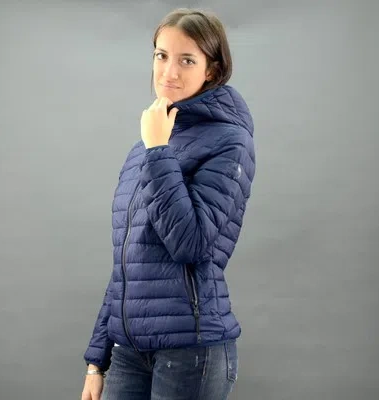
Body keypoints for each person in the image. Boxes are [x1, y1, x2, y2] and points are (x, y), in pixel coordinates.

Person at [81, 7, 255, 400]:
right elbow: (128, 264)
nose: (168, 72)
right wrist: (97, 361)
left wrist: (158, 149)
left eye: (187, 60)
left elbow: (189, 244)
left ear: (211, 70)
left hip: (191, 350)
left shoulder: (230, 142)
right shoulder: (146, 145)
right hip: (128, 352)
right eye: (161, 55)